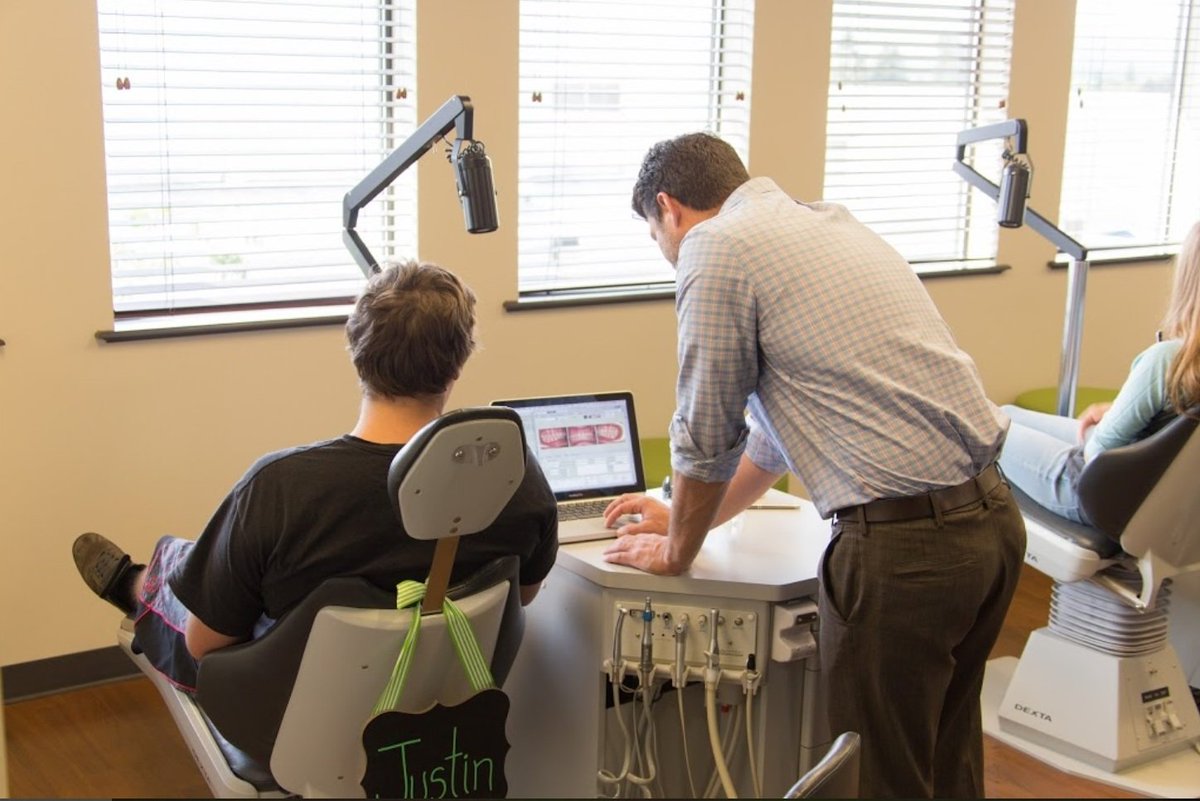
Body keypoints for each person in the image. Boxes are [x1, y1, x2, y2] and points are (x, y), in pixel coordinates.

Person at [600, 132, 1026, 798]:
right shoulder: (826, 223)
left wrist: (676, 548)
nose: (667, 256)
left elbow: (706, 430)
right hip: (994, 524)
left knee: (877, 779)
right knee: (947, 763)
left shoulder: (714, 247)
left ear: (668, 207)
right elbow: (771, 440)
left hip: (904, 551)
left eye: (657, 238)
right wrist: (692, 518)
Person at [73, 260, 558, 692]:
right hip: (443, 701)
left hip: (288, 721)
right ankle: (153, 574)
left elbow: (204, 646)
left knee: (188, 569)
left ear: (356, 350)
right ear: (459, 362)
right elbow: (522, 593)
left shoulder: (280, 488)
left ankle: (140, 586)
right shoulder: (516, 477)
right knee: (205, 561)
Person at [998, 220, 1200, 523]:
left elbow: (1098, 451)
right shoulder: (1182, 365)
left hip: (1098, 494)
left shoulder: (1168, 360)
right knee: (1005, 412)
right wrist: (1121, 410)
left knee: (985, 426)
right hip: (1155, 494)